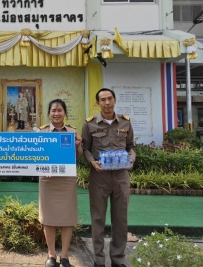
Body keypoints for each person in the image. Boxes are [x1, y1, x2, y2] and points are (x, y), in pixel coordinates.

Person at [81, 88, 135, 267]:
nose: (107, 102)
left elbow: (130, 147)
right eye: (102, 99)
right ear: (97, 103)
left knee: (120, 219)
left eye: (109, 98)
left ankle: (118, 259)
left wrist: (132, 159)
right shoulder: (89, 124)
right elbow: (85, 148)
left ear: (115, 100)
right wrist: (92, 162)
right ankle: (99, 260)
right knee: (98, 219)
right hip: (99, 177)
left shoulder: (125, 123)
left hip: (121, 176)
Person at [39, 99, 83, 267]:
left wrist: (78, 145)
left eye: (59, 110)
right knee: (48, 217)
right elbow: (36, 156)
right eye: (53, 110)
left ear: (65, 113)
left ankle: (64, 257)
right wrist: (44, 168)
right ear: (49, 113)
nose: (56, 113)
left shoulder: (72, 132)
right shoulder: (41, 133)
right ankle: (51, 255)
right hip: (48, 180)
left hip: (66, 181)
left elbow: (78, 157)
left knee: (67, 217)